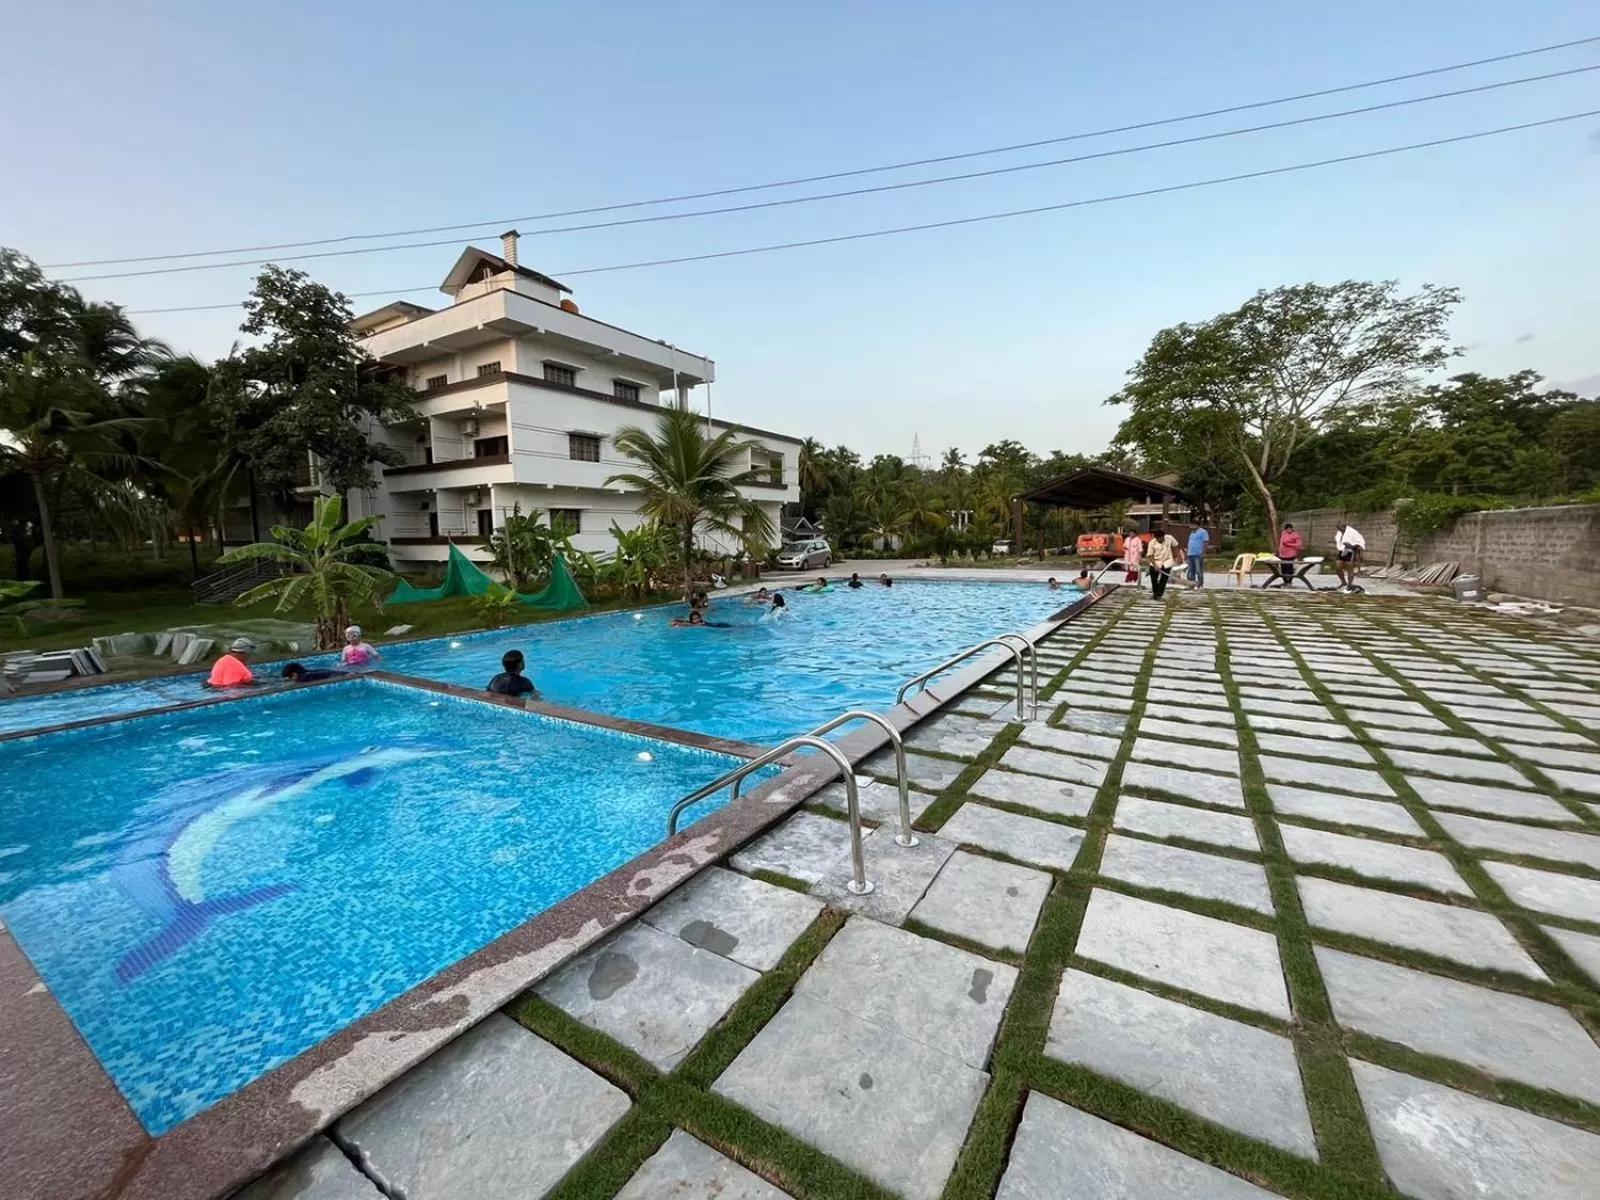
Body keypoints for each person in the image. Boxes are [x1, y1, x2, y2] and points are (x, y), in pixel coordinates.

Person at [1146, 526, 1180, 600]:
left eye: (1161, 538)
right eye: (1158, 539)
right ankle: (1155, 593)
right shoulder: (1152, 543)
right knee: (1154, 579)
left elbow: (1175, 546)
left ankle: (1159, 595)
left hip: (1167, 561)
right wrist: (1155, 566)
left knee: (1163, 580)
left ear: (1163, 536)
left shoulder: (1170, 538)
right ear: (1156, 538)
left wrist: (1176, 556)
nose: (1160, 540)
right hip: (1155, 561)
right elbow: (1150, 555)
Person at [1334, 521, 1366, 591]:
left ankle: (1349, 584)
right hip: (1342, 551)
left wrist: (1352, 546)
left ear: (1343, 527)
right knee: (1338, 567)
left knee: (1349, 569)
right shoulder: (1339, 532)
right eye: (1338, 529)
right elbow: (1338, 541)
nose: (1338, 530)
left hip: (1350, 551)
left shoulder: (1352, 532)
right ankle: (1343, 582)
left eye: (1339, 528)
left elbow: (1361, 542)